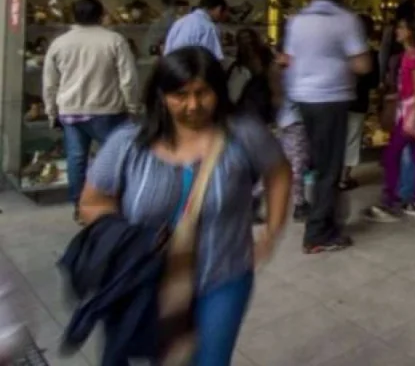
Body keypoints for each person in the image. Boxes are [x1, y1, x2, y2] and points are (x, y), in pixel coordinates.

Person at [77, 46, 290, 366]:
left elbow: (279, 173)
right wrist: (130, 239)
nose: (193, 105)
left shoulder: (244, 134)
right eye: (180, 95)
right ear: (161, 96)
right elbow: (91, 203)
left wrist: (272, 232)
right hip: (146, 281)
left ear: (218, 91)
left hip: (222, 275)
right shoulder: (127, 143)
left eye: (202, 93)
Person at [283, 0, 372, 253]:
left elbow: (288, 59)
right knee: (329, 168)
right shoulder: (346, 20)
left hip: (303, 99)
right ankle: (318, 234)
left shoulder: (298, 20)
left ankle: (325, 221)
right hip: (331, 99)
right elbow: (363, 65)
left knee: (318, 164)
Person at [42, 0, 140, 214]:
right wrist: (133, 107)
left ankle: (80, 207)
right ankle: (114, 204)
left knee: (76, 160)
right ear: (101, 14)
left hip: (71, 112)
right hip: (108, 111)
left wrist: (51, 112)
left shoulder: (60, 43)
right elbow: (128, 79)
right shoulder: (114, 40)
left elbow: (49, 84)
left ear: (74, 15)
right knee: (115, 158)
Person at [366, 11, 415, 221]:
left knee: (391, 156)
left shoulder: (412, 57)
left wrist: (411, 119)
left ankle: (390, 201)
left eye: (401, 28)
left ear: (410, 32)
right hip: (414, 111)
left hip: (411, 113)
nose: (397, 31)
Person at [341, 14, 380, 191]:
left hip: (338, 100)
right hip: (358, 101)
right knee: (352, 139)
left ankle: (334, 175)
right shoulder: (370, 53)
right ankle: (344, 177)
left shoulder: (341, 49)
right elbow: (373, 81)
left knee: (338, 138)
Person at [227, 28, 281, 126]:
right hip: (248, 112)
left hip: (261, 109)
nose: (247, 43)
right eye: (243, 40)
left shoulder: (266, 60)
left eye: (249, 40)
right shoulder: (238, 67)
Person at [164, 0, 229, 61]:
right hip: (190, 66)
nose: (226, 15)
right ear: (219, 9)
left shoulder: (180, 22)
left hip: (171, 65)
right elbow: (212, 60)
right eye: (226, 12)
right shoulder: (208, 27)